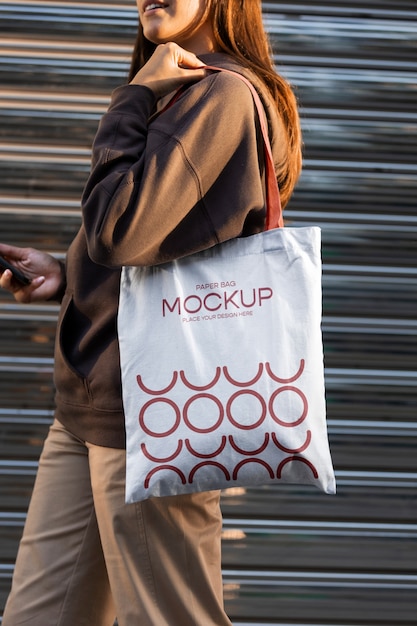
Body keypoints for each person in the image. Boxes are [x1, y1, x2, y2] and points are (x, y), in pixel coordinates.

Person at [0, 0, 302, 624]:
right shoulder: (183, 90)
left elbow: (118, 231)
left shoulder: (217, 96)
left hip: (154, 419)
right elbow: (153, 249)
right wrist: (70, 275)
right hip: (90, 411)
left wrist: (130, 99)